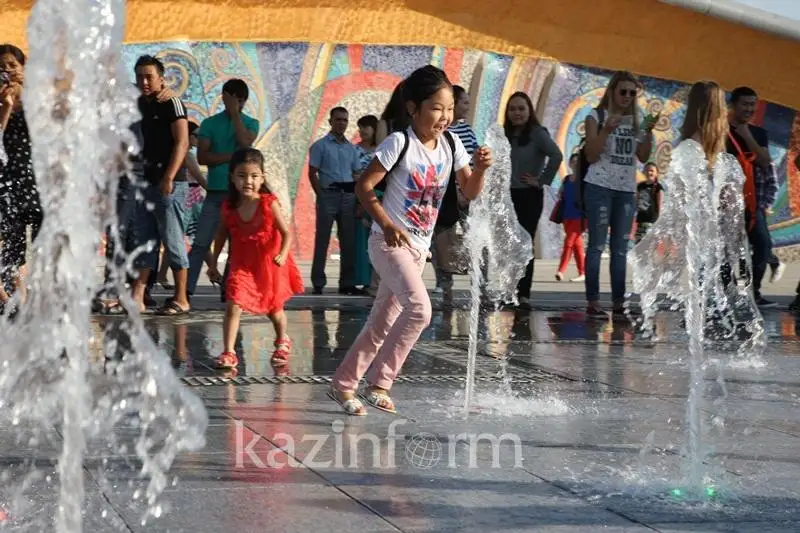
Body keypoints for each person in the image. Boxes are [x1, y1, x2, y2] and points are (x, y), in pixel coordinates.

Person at [328, 66, 493, 416]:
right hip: (388, 245)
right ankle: (382, 381)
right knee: (421, 309)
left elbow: (470, 191)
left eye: (449, 108)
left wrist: (478, 168)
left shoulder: (451, 143)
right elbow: (364, 187)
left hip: (418, 249)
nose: (445, 116)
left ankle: (344, 385)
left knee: (382, 322)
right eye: (436, 108)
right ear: (413, 108)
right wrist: (387, 224)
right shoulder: (399, 142)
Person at [629, 81, 755, 342]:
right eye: (721, 108)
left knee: (713, 274)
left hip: (708, 228)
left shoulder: (704, 144)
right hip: (701, 229)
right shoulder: (693, 147)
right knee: (707, 273)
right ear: (714, 110)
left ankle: (708, 318)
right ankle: (707, 320)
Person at [208, 148, 304, 372]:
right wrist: (213, 263)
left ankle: (282, 340)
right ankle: (229, 352)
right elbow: (221, 234)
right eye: (241, 176)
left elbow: (287, 232)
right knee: (234, 303)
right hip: (242, 265)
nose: (248, 181)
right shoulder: (229, 207)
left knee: (274, 309)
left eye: (253, 176)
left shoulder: (268, 203)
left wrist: (282, 253)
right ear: (232, 177)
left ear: (262, 177)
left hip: (269, 265)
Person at [582, 71, 656, 319]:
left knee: (620, 249)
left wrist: (648, 132)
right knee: (596, 246)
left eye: (632, 93)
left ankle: (618, 304)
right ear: (612, 91)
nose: (627, 97)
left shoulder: (639, 118)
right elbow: (591, 155)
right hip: (599, 187)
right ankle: (593, 302)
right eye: (623, 91)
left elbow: (644, 157)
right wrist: (605, 130)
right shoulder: (596, 116)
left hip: (625, 190)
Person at [130, 55, 191, 315]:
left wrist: (169, 176)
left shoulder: (172, 103)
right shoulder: (139, 104)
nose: (144, 81)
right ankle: (138, 295)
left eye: (149, 76)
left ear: (161, 78)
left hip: (170, 183)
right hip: (145, 181)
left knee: (173, 239)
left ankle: (181, 297)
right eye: (140, 76)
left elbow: (182, 143)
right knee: (145, 239)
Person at [188, 79, 260, 296]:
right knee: (201, 242)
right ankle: (186, 291)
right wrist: (233, 157)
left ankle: (230, 292)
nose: (234, 103)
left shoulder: (251, 122)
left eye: (239, 100)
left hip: (239, 195)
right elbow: (203, 157)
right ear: (224, 98)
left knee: (236, 245)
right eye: (230, 99)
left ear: (244, 101)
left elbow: (246, 144)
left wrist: (235, 114)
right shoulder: (209, 124)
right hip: (215, 192)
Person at [504, 91, 563, 309]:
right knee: (510, 244)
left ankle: (524, 293)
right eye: (512, 109)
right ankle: (509, 290)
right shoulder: (505, 134)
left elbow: (556, 155)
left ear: (529, 111)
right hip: (508, 195)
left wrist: (541, 180)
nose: (517, 113)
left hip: (529, 195)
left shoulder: (537, 133)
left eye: (521, 108)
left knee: (525, 243)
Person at [725, 86, 778, 308]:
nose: (749, 109)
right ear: (733, 105)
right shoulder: (722, 131)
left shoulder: (758, 133)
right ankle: (727, 296)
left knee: (763, 245)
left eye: (752, 104)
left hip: (752, 201)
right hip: (727, 203)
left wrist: (747, 135)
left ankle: (753, 291)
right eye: (745, 104)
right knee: (729, 251)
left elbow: (765, 160)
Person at [0, 44, 43, 312]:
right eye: (1, 67)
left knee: (44, 241)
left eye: (12, 66)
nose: (7, 72)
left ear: (23, 69)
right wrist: (5, 106)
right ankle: (20, 302)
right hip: (7, 179)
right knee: (11, 244)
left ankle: (42, 301)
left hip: (38, 178)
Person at [308, 106, 364, 296]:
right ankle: (318, 282)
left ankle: (347, 283)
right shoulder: (320, 146)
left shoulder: (351, 148)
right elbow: (312, 173)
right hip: (328, 195)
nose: (341, 123)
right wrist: (320, 194)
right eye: (338, 119)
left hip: (348, 196)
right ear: (331, 121)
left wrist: (358, 200)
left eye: (345, 120)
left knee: (348, 241)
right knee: (322, 240)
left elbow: (357, 174)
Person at [433, 84, 478, 300]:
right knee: (442, 237)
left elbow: (472, 161)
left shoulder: (467, 130)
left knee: (474, 237)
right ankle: (444, 284)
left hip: (466, 193)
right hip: (448, 194)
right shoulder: (444, 132)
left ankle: (479, 284)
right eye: (465, 102)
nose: (467, 107)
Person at [354, 114, 378, 289]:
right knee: (362, 241)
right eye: (360, 127)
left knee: (378, 239)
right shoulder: (355, 150)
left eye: (366, 127)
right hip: (360, 197)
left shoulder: (382, 151)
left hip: (379, 198)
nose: (362, 131)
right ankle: (363, 280)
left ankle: (376, 281)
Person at [556, 154, 586, 282]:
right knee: (577, 245)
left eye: (577, 162)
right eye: (573, 161)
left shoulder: (583, 181)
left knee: (568, 243)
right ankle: (583, 272)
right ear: (569, 164)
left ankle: (561, 271)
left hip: (578, 217)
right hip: (566, 216)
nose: (575, 164)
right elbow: (560, 194)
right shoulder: (567, 180)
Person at [634, 162, 663, 243]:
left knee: (648, 243)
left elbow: (660, 203)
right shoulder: (640, 186)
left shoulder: (657, 187)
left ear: (656, 173)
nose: (649, 172)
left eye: (651, 171)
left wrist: (659, 220)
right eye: (646, 170)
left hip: (651, 221)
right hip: (641, 219)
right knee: (638, 242)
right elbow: (637, 200)